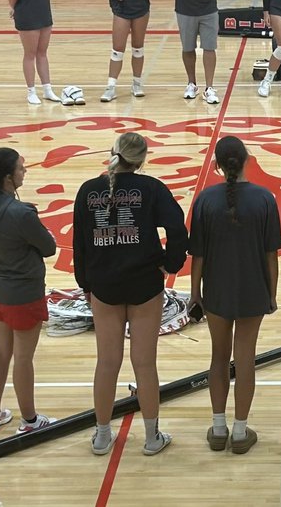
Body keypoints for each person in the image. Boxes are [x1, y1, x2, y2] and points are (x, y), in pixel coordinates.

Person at [73, 132, 187, 456]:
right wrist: (170, 264)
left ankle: (101, 436)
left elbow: (80, 245)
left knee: (107, 363)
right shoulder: (151, 188)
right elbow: (178, 229)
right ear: (140, 161)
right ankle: (152, 438)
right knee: (145, 364)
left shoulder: (87, 190)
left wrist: (86, 285)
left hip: (104, 287)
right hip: (144, 284)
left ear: (112, 153)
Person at [188, 136, 281, 454]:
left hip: (216, 291)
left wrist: (194, 294)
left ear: (216, 164)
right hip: (254, 290)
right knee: (245, 360)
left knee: (218, 357)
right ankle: (240, 432)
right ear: (247, 160)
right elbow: (272, 255)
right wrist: (272, 294)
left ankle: (218, 428)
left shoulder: (204, 200)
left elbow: (197, 256)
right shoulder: (264, 199)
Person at [0, 147, 57, 434]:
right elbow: (49, 247)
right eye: (21, 167)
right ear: (8, 178)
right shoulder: (20, 213)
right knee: (23, 358)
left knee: (1, 351)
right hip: (23, 295)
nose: (25, 171)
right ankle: (30, 420)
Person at [99, 0, 159, 101]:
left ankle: (137, 83)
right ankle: (111, 87)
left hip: (141, 10)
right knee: (117, 50)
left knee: (138, 48)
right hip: (122, 11)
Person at [9, 0, 56, 105]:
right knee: (30, 54)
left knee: (42, 53)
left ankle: (47, 89)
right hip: (27, 16)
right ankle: (31, 91)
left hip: (44, 14)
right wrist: (12, 9)